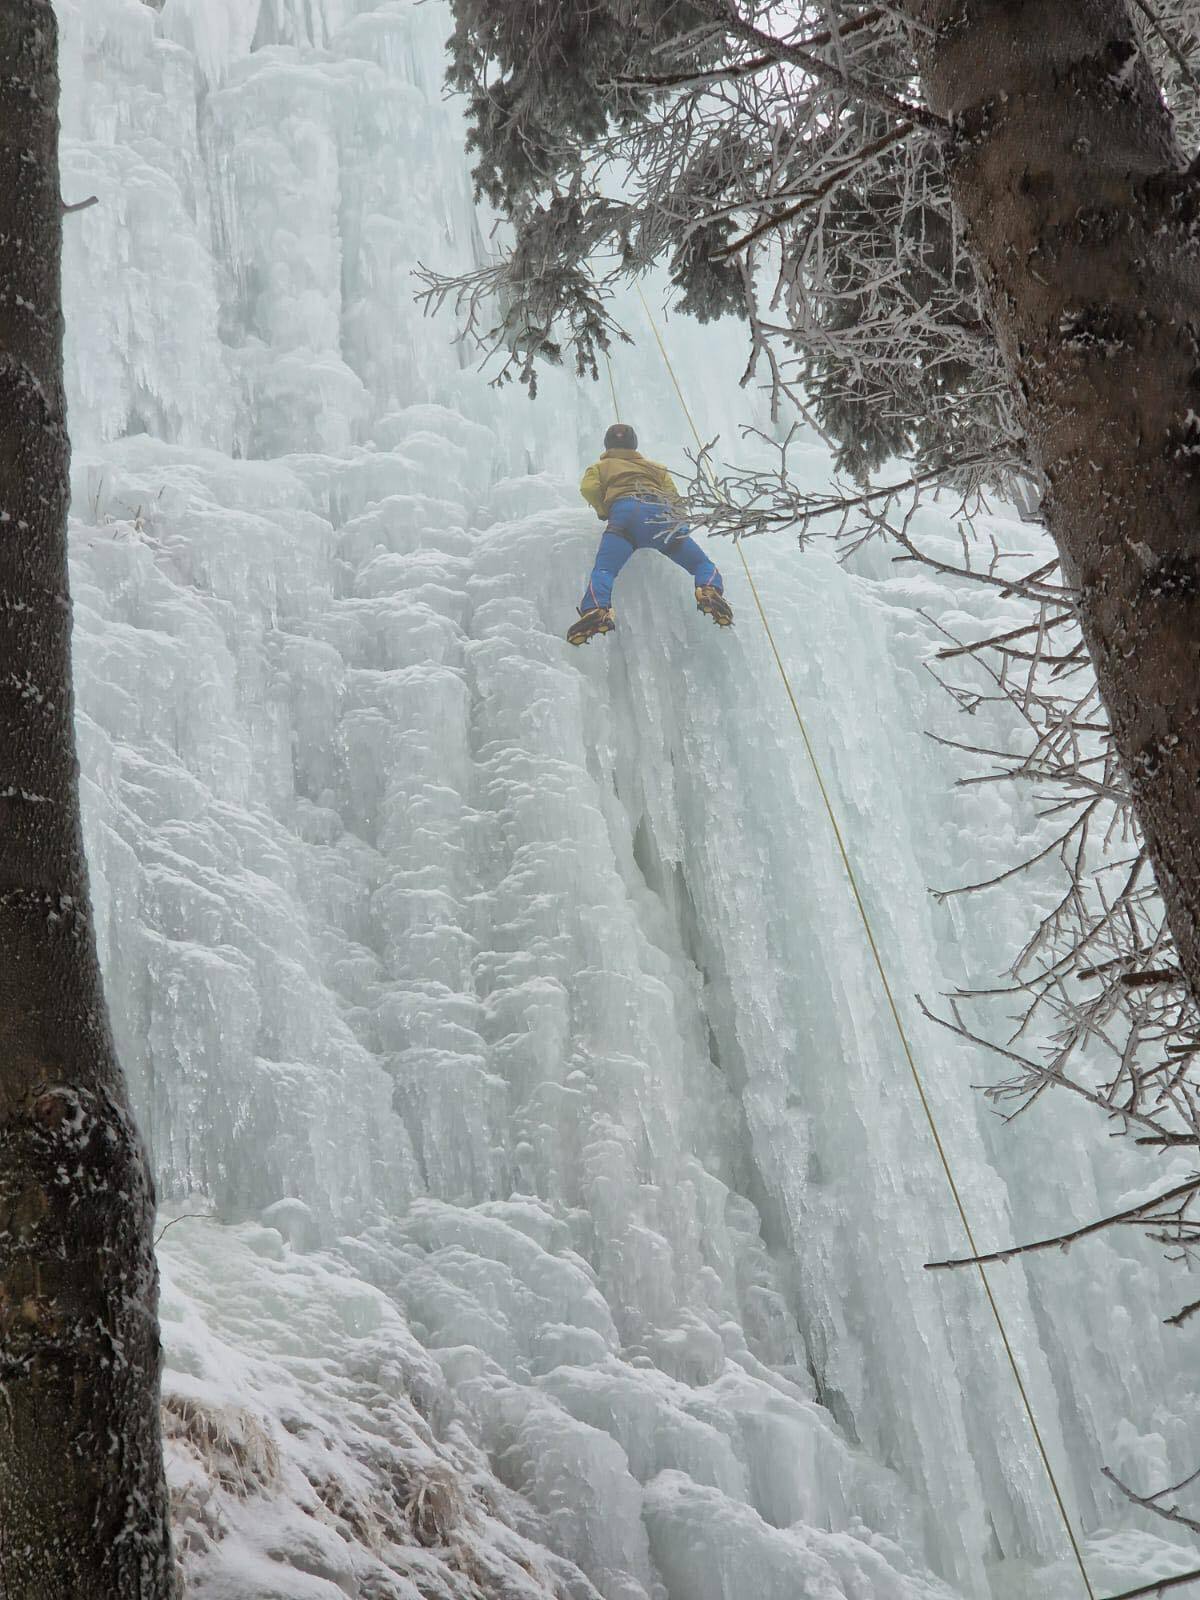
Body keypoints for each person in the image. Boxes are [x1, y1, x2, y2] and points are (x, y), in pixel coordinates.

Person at [567, 423, 734, 645]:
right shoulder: (657, 468)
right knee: (701, 564)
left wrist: (603, 509)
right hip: (662, 517)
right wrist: (679, 528)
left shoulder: (600, 467)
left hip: (626, 515)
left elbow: (588, 489)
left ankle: (597, 609)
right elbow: (675, 499)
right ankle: (709, 589)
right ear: (634, 444)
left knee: (605, 569)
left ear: (607, 444)